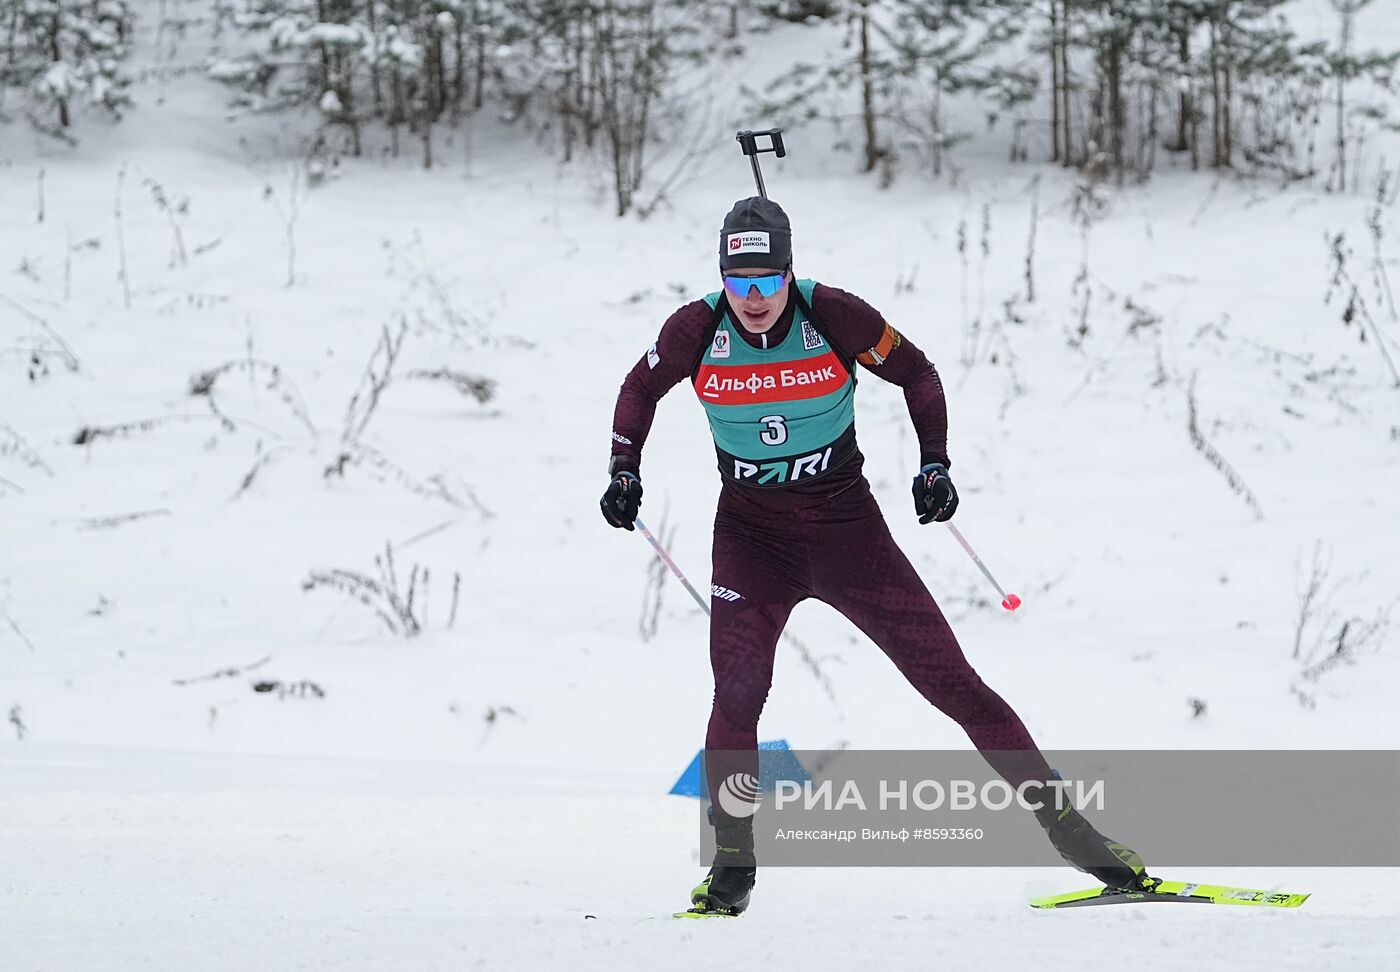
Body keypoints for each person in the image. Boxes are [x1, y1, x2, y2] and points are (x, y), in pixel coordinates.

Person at [600, 196, 1149, 916]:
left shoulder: (834, 314)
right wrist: (623, 469)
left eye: (769, 281)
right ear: (722, 281)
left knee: (953, 685)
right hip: (751, 541)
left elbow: (918, 373)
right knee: (737, 694)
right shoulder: (696, 328)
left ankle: (1081, 841)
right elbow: (640, 388)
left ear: (790, 273)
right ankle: (733, 864)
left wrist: (935, 464)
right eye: (741, 284)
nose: (755, 298)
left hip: (848, 536)